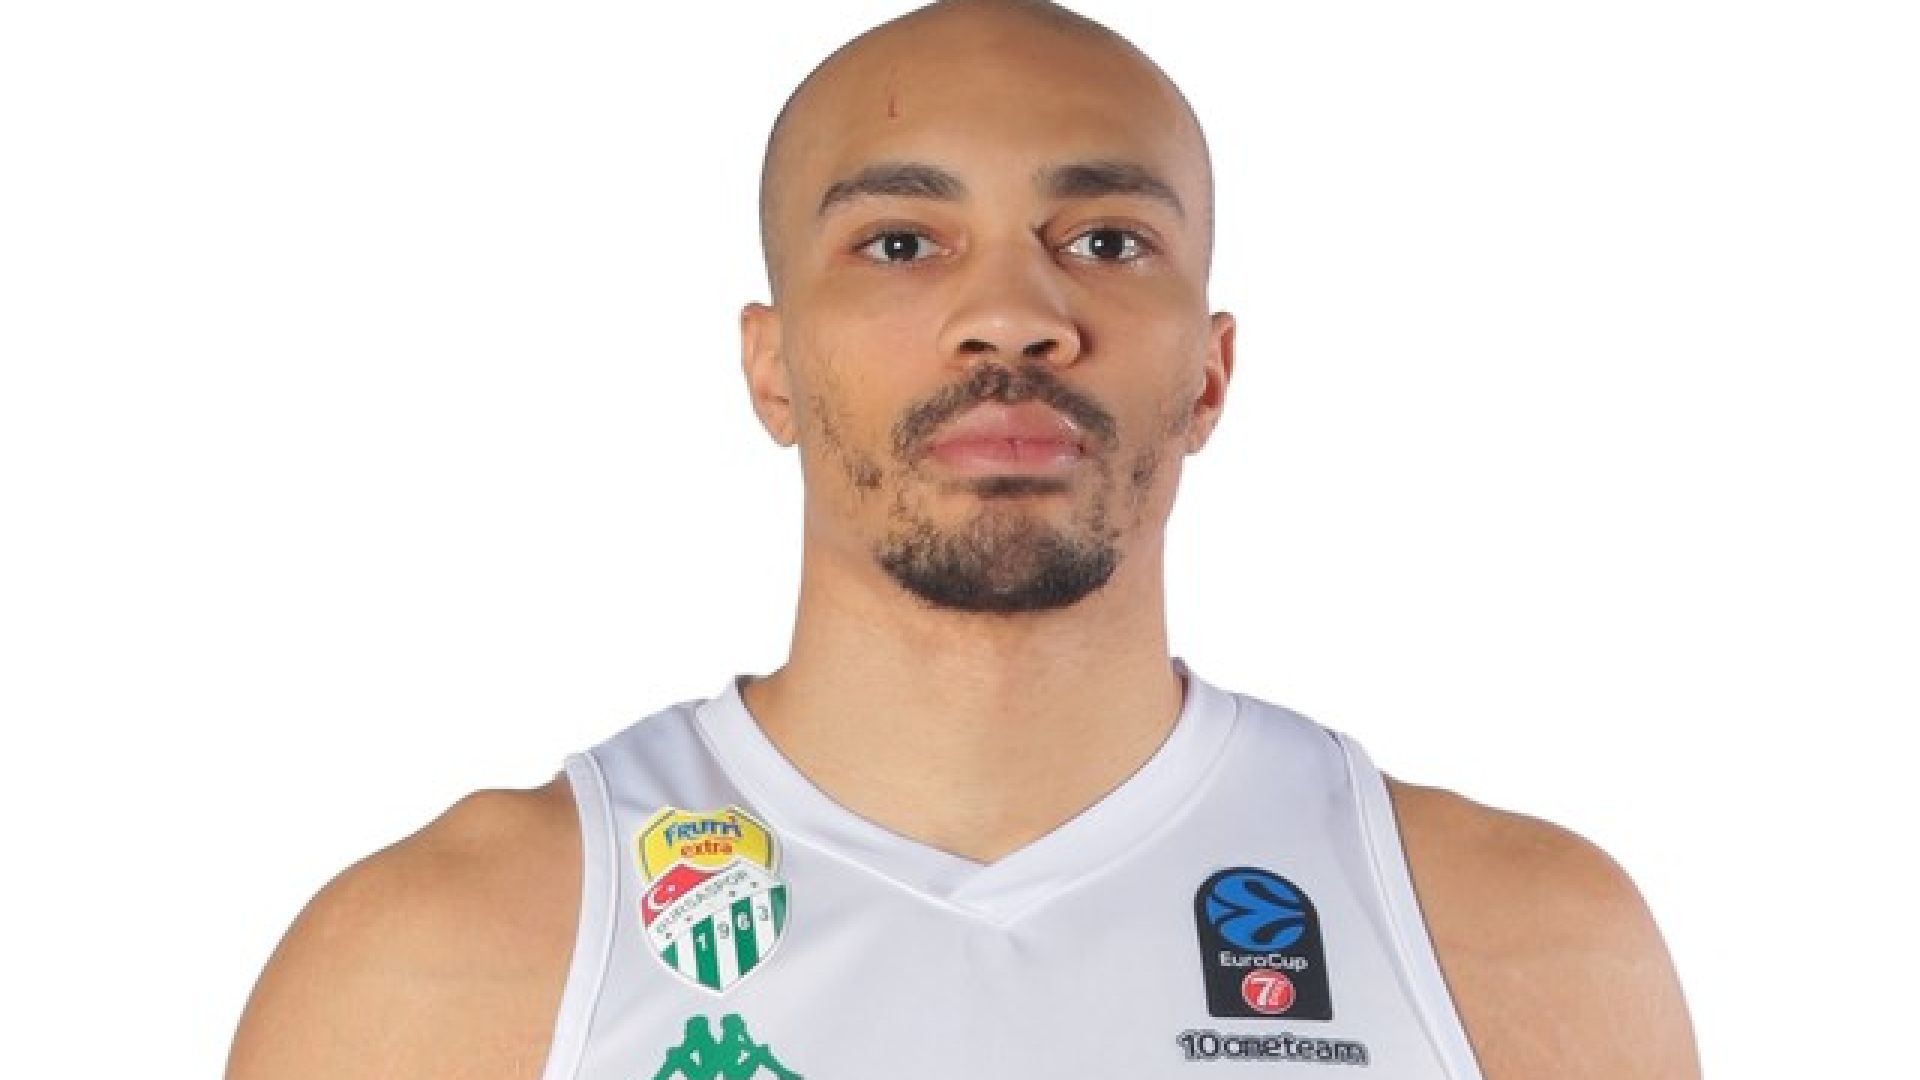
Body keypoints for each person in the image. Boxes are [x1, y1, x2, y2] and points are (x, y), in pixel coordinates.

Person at [226, 1, 1699, 1077]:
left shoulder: (1518, 944)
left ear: (1210, 374)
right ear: (772, 369)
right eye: (901, 244)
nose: (1012, 316)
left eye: (1106, 240)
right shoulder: (439, 966)